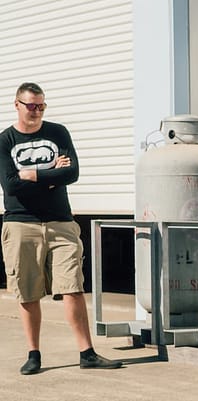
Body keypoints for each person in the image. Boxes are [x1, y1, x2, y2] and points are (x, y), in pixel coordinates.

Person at [0, 82, 122, 375]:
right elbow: (11, 185)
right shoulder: (5, 140)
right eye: (31, 106)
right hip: (21, 223)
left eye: (41, 106)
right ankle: (34, 354)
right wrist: (51, 174)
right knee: (28, 292)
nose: (37, 111)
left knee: (73, 287)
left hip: (61, 222)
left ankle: (87, 353)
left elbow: (72, 172)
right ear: (17, 105)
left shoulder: (58, 133)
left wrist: (32, 174)